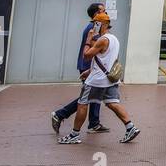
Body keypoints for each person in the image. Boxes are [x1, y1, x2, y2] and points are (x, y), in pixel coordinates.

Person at [57, 12, 140, 144]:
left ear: (103, 24)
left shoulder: (102, 40)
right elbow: (106, 59)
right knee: (112, 103)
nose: (93, 27)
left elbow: (87, 55)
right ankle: (131, 127)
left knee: (82, 104)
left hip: (97, 81)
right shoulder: (114, 39)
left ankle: (74, 134)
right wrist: (90, 70)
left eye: (96, 24)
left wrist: (88, 40)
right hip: (109, 79)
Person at [50, 4, 108, 134]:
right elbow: (93, 49)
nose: (107, 14)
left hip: (90, 66)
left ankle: (94, 123)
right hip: (88, 66)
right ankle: (60, 114)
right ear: (96, 14)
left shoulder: (93, 27)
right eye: (104, 11)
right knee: (87, 97)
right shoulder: (94, 28)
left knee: (94, 95)